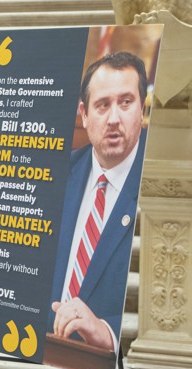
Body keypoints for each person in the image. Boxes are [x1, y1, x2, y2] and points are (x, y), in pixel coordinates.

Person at [49, 51, 148, 352]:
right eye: (103, 105)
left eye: (126, 102)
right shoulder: (56, 175)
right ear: (84, 114)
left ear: (142, 108)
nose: (114, 118)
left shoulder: (161, 187)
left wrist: (107, 333)